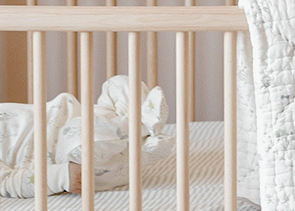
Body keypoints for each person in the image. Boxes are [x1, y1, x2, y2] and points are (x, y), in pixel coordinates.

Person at [0, 76, 169, 197]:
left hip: (86, 113)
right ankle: (142, 135)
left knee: (118, 84)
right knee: (85, 140)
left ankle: (142, 127)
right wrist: (62, 176)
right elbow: (8, 183)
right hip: (69, 156)